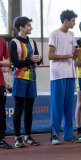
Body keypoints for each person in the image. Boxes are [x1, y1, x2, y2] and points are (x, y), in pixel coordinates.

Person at [9, 17, 42, 148]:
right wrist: (30, 60)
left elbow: (38, 60)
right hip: (19, 77)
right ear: (21, 27)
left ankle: (27, 136)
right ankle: (17, 137)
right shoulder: (14, 42)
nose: (31, 28)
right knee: (19, 108)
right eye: (28, 25)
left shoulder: (32, 42)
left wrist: (38, 59)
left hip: (32, 78)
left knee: (29, 109)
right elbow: (16, 63)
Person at [48, 10, 80, 145]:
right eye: (73, 20)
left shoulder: (72, 35)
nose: (74, 23)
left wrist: (76, 52)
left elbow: (74, 56)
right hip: (57, 75)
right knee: (57, 106)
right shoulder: (54, 34)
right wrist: (68, 55)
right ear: (66, 21)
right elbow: (50, 56)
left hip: (71, 73)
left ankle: (68, 135)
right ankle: (54, 135)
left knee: (68, 106)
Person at [0, 38, 13, 149]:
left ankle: (1, 139)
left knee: (1, 112)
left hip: (0, 83)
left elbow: (8, 62)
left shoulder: (2, 41)